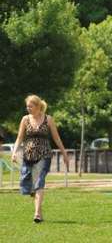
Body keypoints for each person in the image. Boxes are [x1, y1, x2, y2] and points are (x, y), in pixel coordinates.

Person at [10, 95, 69, 223]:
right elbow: (19, 138)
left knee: (39, 182)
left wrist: (64, 153)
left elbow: (56, 138)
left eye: (30, 106)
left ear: (37, 106)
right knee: (32, 185)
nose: (28, 108)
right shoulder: (25, 119)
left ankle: (36, 213)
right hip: (28, 156)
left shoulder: (48, 119)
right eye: (27, 106)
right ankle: (40, 214)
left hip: (44, 155)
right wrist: (14, 152)